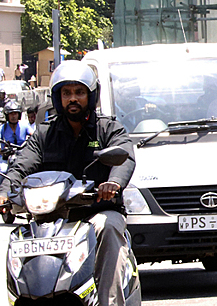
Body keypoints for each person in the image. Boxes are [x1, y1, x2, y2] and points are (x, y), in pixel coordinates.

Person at [0, 60, 139, 306]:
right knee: (20, 237)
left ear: (90, 95)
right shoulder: (44, 134)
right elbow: (21, 165)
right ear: (58, 97)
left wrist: (114, 183)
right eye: (66, 93)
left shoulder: (107, 129)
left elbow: (124, 156)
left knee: (109, 227)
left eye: (79, 92)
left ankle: (110, 301)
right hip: (51, 218)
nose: (73, 98)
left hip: (95, 212)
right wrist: (3, 193)